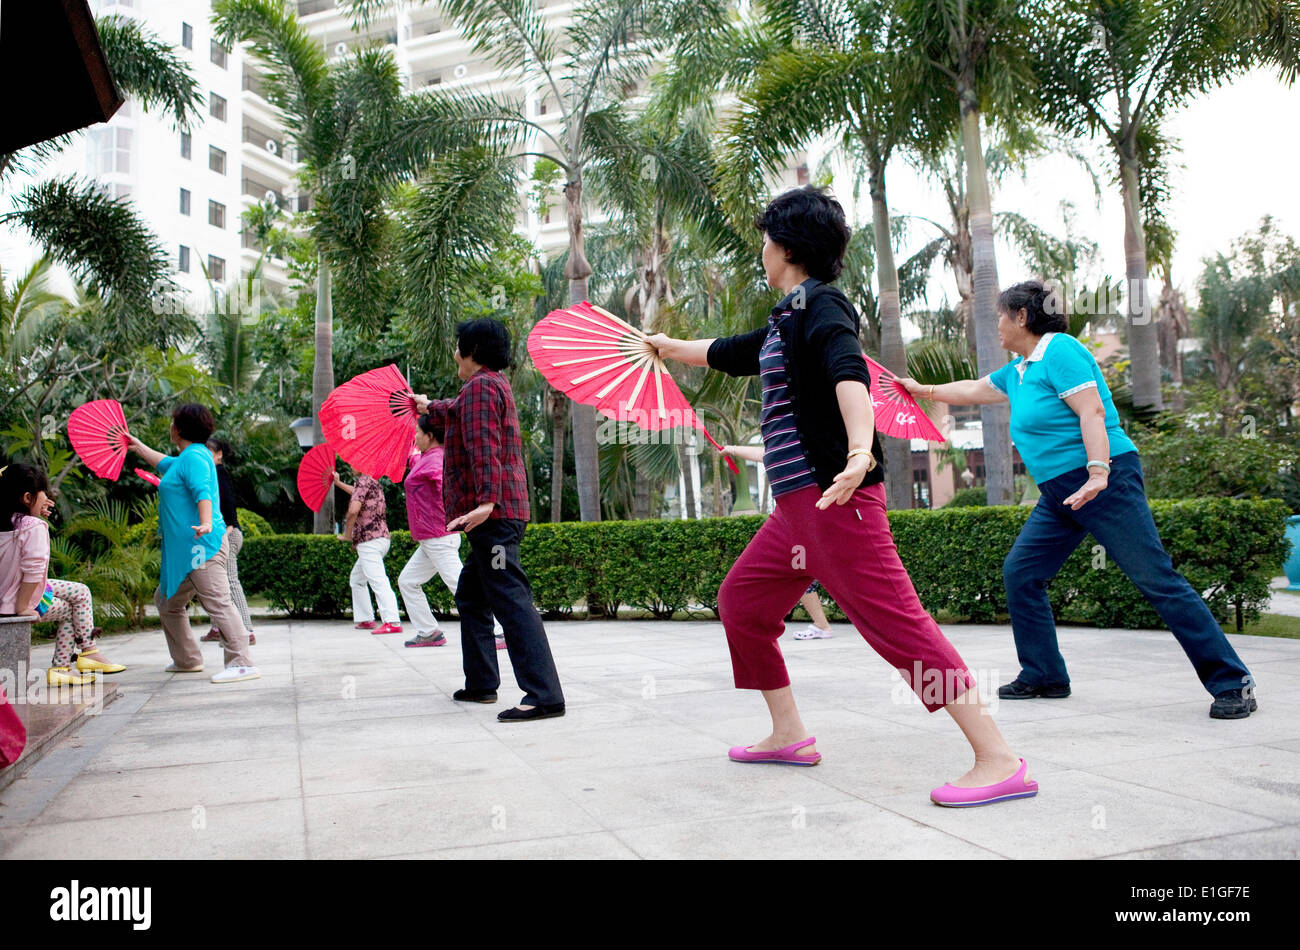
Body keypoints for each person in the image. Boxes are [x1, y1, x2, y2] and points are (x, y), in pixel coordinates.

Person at [648, 185, 1034, 806]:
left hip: (836, 500)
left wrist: (860, 451)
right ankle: (789, 733)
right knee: (742, 602)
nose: (762, 251)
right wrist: (666, 350)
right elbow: (726, 353)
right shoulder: (786, 316)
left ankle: (998, 757)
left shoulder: (824, 306)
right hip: (794, 511)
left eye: (766, 241)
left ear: (787, 247)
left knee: (896, 624)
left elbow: (848, 371)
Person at [898, 279, 1257, 720]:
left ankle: (1232, 683)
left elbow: (1092, 412)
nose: (997, 325)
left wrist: (1098, 471)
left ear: (1022, 317)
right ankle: (1045, 674)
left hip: (1105, 479)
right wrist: (923, 390)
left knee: (1155, 578)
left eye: (1000, 316)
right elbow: (973, 389)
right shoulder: (1020, 370)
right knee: (1022, 572)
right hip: (1061, 492)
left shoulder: (1060, 351)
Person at [414, 318, 566, 723]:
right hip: (494, 516)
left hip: (493, 517)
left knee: (511, 600)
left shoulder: (481, 387)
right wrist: (426, 406)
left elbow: (486, 449)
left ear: (473, 351)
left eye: (458, 346)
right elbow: (458, 413)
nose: (454, 354)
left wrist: (486, 502)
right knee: (471, 595)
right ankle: (482, 683)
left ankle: (544, 695)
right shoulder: (487, 386)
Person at [129, 404, 258, 683]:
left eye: (172, 422)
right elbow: (163, 462)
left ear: (178, 429)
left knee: (218, 603)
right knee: (166, 601)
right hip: (185, 551)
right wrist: (138, 446)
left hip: (203, 545)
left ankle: (242, 662)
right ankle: (187, 659)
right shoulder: (187, 457)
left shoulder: (196, 458)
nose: (170, 426)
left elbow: (203, 492)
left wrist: (206, 521)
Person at [0, 463, 124, 685]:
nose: (47, 498)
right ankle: (64, 666)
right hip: (15, 601)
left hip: (9, 591)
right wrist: (23, 607)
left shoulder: (10, 522)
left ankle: (88, 651)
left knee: (80, 591)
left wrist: (34, 510)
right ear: (27, 497)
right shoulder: (33, 527)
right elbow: (33, 570)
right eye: (43, 493)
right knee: (69, 609)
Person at [398, 414, 505, 650]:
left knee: (462, 587)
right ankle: (429, 632)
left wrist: (464, 509)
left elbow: (446, 484)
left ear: (430, 435)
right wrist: (408, 445)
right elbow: (416, 463)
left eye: (418, 433)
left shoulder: (437, 460)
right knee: (407, 581)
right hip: (430, 540)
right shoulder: (426, 458)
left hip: (439, 537)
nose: (416, 436)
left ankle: (499, 630)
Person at [722, 443, 833, 641]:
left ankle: (822, 625)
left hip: (809, 525)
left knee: (803, 575)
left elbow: (764, 454)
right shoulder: (791, 448)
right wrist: (732, 449)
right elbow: (764, 454)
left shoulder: (810, 449)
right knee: (803, 576)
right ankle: (821, 624)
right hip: (801, 525)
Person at [334, 471, 402, 635]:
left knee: (378, 579)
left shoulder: (362, 481)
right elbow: (356, 492)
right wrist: (337, 483)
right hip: (381, 538)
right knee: (357, 579)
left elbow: (353, 510)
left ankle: (392, 621)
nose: (350, 465)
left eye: (354, 460)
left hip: (369, 540)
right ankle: (366, 619)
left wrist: (347, 535)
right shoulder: (370, 482)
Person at [201, 438, 255, 646]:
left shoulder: (218, 473)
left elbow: (228, 503)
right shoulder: (212, 473)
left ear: (219, 454)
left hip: (228, 534)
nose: (206, 455)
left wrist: (227, 528)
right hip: (223, 534)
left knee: (231, 582)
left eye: (209, 451)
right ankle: (217, 628)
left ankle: (247, 630)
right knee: (216, 585)